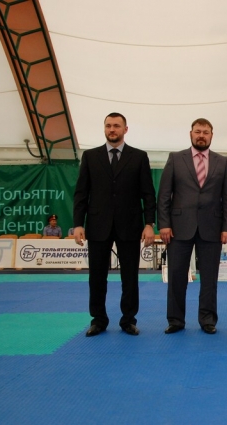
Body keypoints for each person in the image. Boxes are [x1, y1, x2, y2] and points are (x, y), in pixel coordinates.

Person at [73, 112, 156, 337]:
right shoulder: (90, 156)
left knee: (130, 277)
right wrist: (78, 224)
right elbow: (81, 193)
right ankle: (98, 320)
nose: (112, 129)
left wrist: (149, 223)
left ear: (125, 129)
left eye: (117, 126)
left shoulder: (139, 157)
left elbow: (148, 194)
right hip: (97, 224)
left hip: (130, 224)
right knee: (96, 276)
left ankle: (128, 320)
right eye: (108, 125)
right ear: (104, 128)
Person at [157, 118, 227, 335]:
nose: (201, 135)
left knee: (209, 278)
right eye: (198, 131)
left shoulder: (222, 162)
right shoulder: (175, 159)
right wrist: (164, 224)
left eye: (206, 132)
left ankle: (207, 319)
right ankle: (175, 320)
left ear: (212, 135)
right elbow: (164, 195)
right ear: (191, 133)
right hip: (179, 227)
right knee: (176, 276)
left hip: (212, 227)